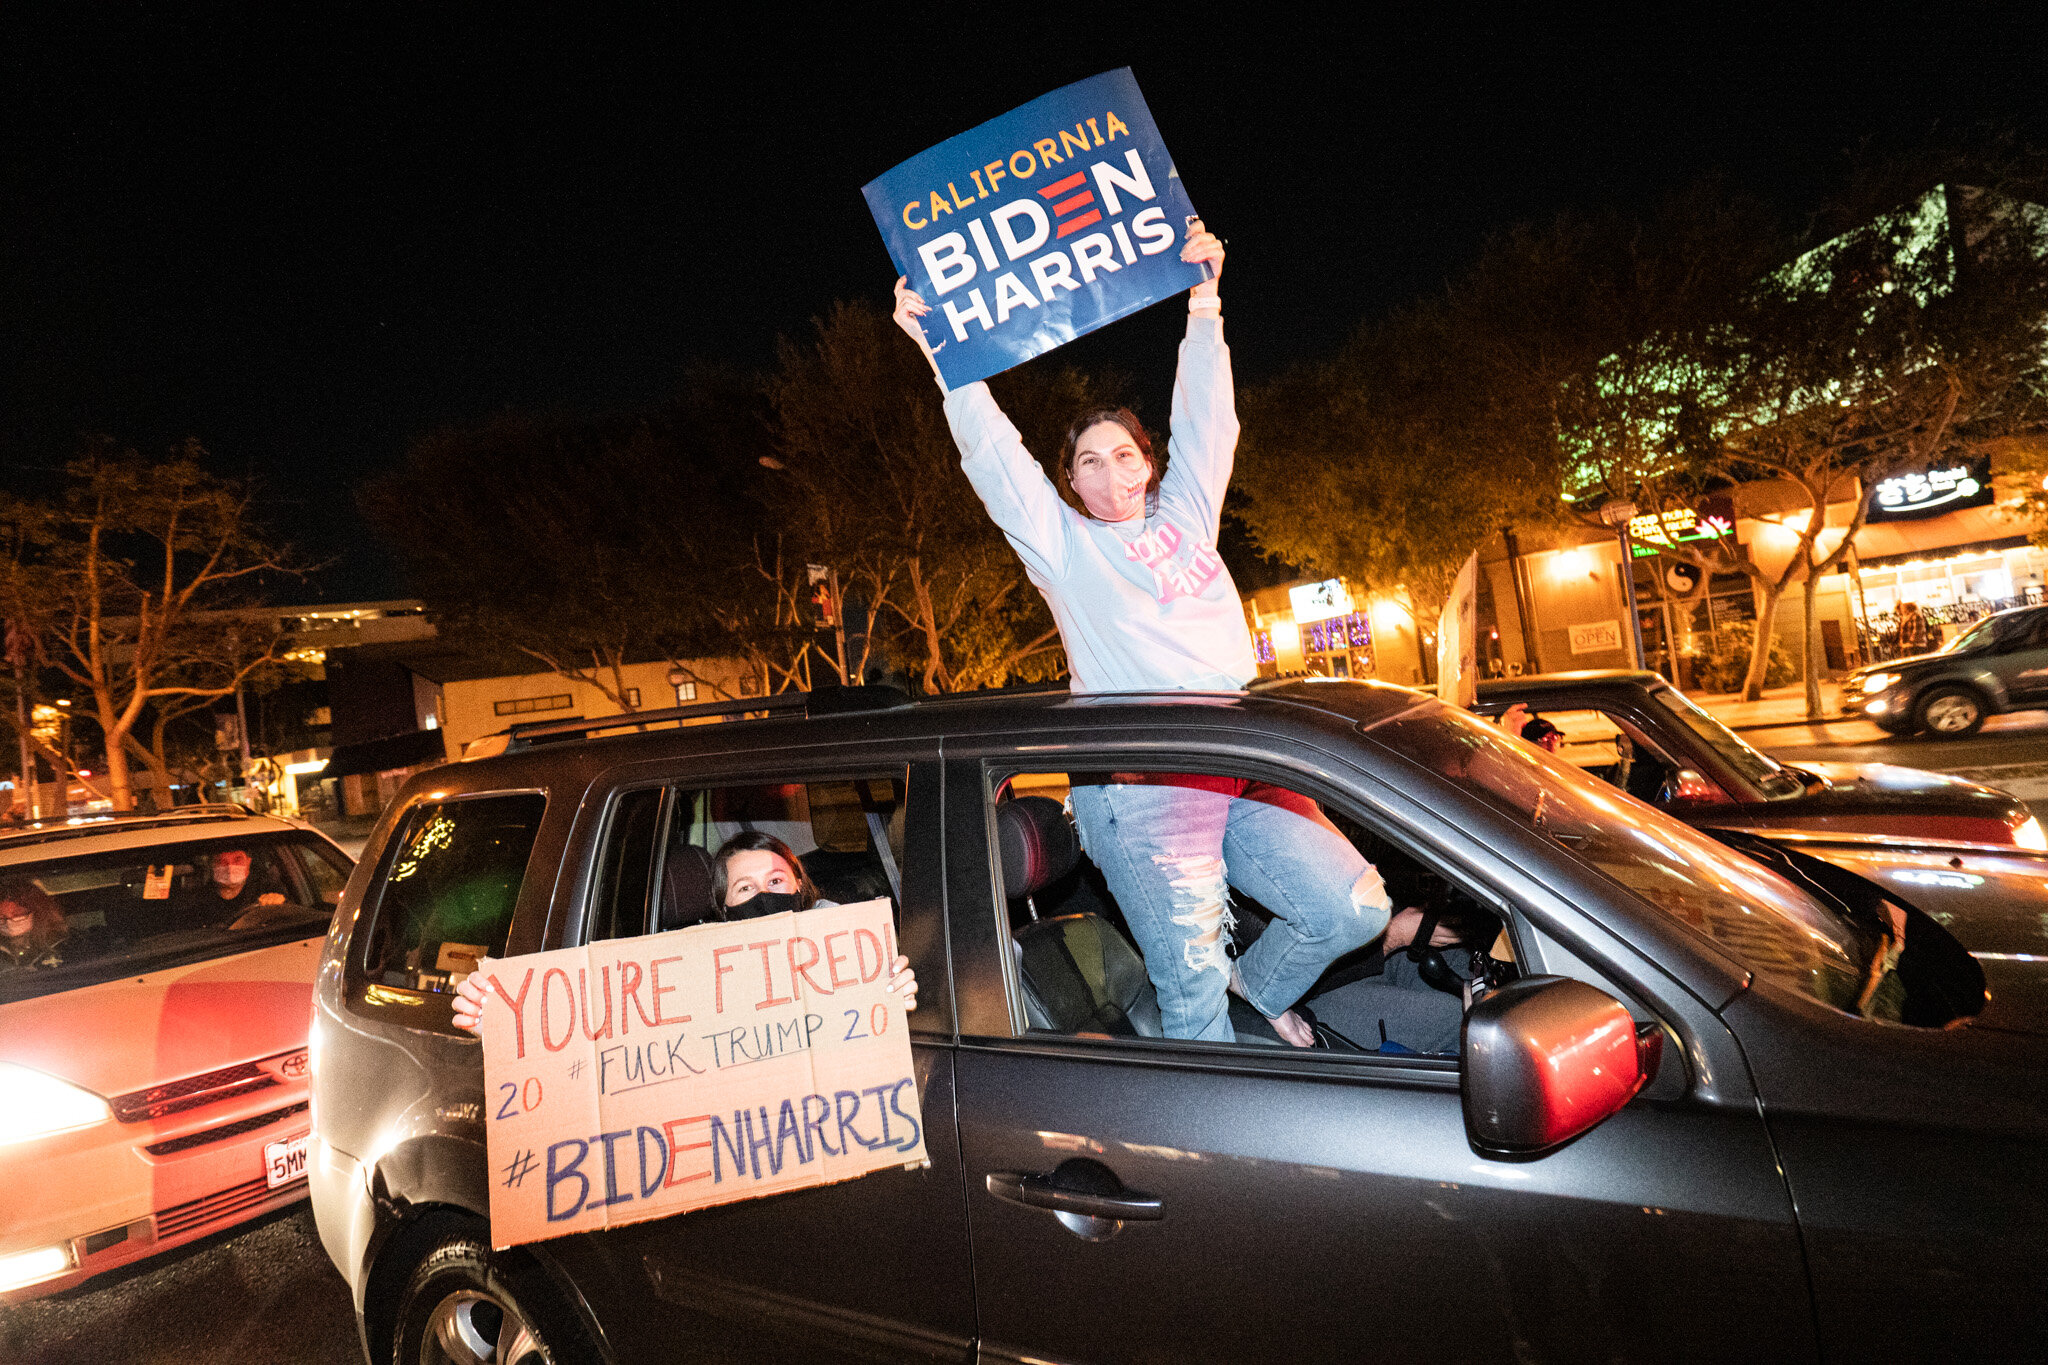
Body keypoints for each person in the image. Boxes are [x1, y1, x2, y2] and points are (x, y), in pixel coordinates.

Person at [892, 222, 1396, 1047]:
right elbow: (995, 458)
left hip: (1241, 759)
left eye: (1123, 454)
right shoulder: (1064, 547)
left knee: (1355, 906)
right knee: (1191, 991)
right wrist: (942, 357)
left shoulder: (1187, 518)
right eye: (1087, 462)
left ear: (1147, 462)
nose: (1109, 473)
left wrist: (1204, 300)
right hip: (1144, 785)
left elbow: (1209, 426)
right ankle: (1226, 1154)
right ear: (1069, 481)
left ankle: (1257, 988)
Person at [453, 832, 917, 1031]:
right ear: (724, 906)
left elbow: (882, 1017)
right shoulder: (692, 972)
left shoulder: (849, 945)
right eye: (745, 887)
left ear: (800, 884)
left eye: (776, 881)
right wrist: (501, 1014)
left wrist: (896, 993)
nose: (765, 894)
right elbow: (604, 1020)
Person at [0, 877, 68, 972]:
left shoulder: (66, 945)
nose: (9, 921)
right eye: (1, 916)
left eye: (18, 913)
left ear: (38, 912)